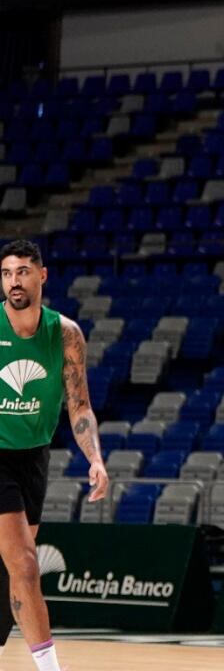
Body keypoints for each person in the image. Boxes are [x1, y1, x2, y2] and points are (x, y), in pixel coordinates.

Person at [0, 239, 107, 671]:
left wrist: (95, 459)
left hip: (34, 457)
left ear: (41, 276)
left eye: (23, 271)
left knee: (8, 572)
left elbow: (79, 406)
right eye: (6, 273)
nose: (14, 282)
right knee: (25, 562)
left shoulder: (65, 334)